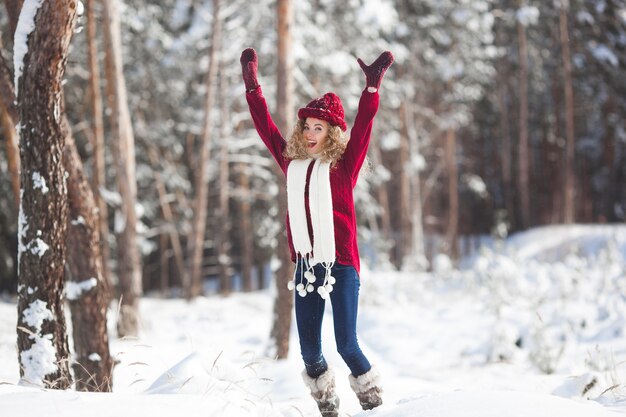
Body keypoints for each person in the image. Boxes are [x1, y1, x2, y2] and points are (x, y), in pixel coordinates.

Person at [240, 47, 393, 416]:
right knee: (309, 350)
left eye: (318, 128)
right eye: (306, 126)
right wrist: (252, 87)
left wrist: (371, 89)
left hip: (341, 266)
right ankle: (327, 405)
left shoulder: (344, 167)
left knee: (346, 345)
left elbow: (364, 127)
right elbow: (265, 127)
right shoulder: (291, 162)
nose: (309, 133)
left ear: (331, 133)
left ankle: (374, 404)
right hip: (307, 268)